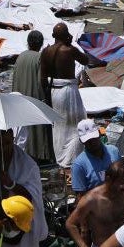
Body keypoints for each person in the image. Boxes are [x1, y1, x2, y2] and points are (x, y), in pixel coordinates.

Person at [0, 129, 48, 247]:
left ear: (13, 138)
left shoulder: (27, 164)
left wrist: (12, 185)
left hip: (23, 227)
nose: (3, 147)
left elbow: (34, 197)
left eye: (7, 143)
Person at [40, 22, 90, 168]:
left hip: (54, 91)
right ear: (66, 35)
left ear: (54, 36)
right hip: (68, 91)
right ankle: (71, 158)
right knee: (74, 123)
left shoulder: (46, 52)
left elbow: (42, 79)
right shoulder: (69, 50)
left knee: (59, 125)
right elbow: (86, 60)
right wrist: (71, 42)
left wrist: (46, 97)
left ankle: (59, 157)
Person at [10, 30, 52, 162]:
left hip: (19, 100)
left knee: (23, 131)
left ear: (28, 43)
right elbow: (42, 81)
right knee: (37, 133)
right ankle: (40, 157)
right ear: (41, 44)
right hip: (35, 100)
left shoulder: (20, 57)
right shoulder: (39, 58)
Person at [71, 119, 122, 199]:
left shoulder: (114, 151)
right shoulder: (79, 165)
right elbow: (80, 196)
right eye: (88, 140)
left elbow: (123, 178)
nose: (92, 142)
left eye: (93, 138)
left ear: (99, 134)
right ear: (81, 141)